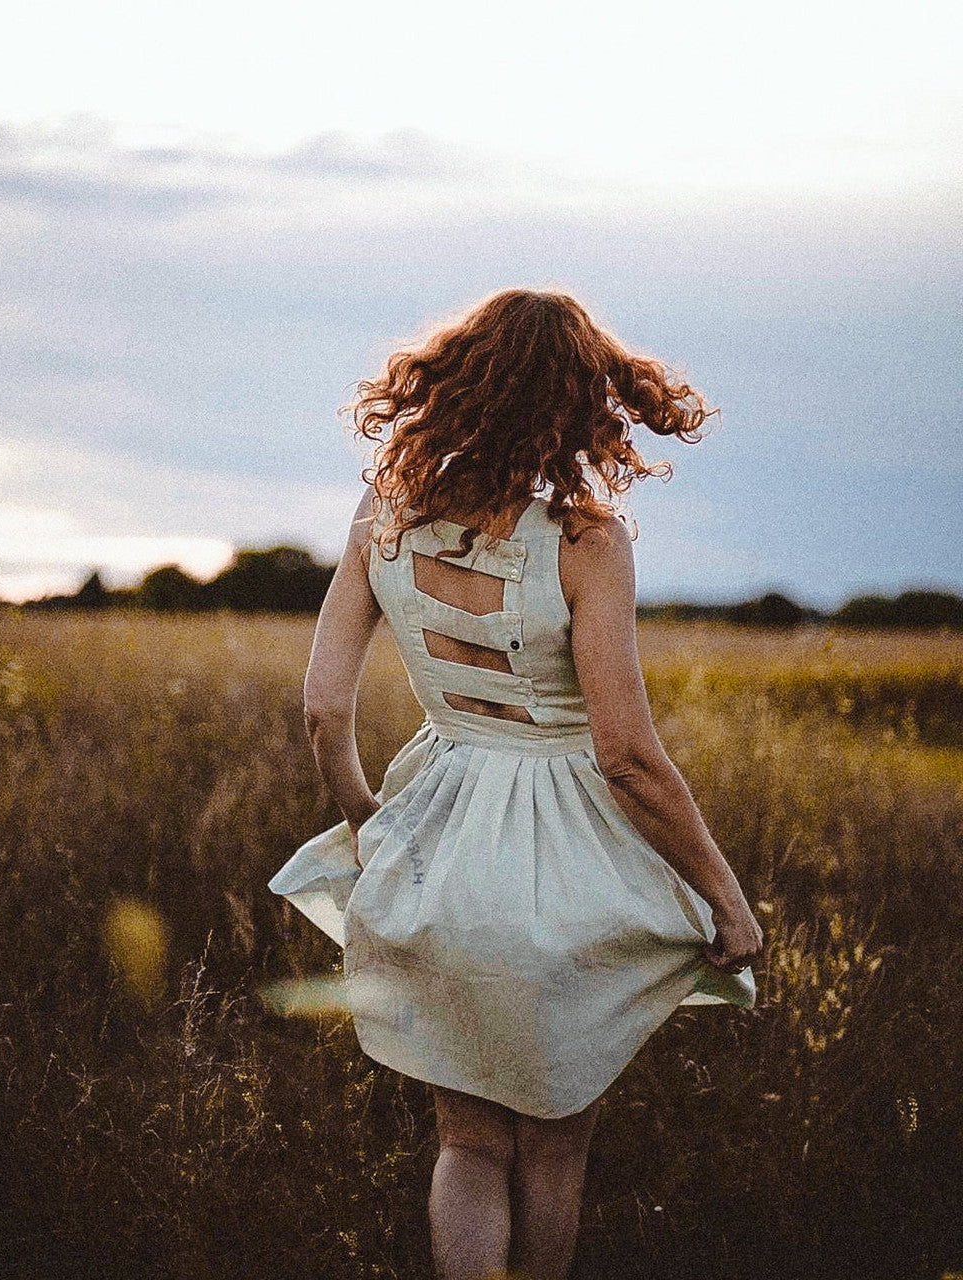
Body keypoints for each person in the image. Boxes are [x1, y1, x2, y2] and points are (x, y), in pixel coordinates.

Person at [268, 288, 764, 1280]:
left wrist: (369, 819)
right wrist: (725, 895)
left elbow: (324, 708)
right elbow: (624, 754)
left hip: (435, 843)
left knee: (467, 1139)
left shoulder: (382, 516)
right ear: (586, 403)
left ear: (452, 385)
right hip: (565, 863)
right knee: (553, 1143)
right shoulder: (588, 542)